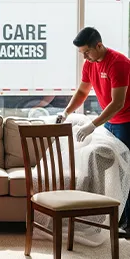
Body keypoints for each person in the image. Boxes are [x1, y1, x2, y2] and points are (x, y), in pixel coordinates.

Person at [57, 27, 130, 236]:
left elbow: (117, 104)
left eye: (87, 52)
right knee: (101, 165)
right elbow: (82, 91)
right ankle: (109, 218)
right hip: (109, 123)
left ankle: (128, 224)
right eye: (82, 53)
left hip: (126, 122)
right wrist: (67, 112)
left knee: (127, 171)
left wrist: (93, 124)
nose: (85, 57)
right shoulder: (89, 63)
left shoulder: (119, 63)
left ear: (99, 45)